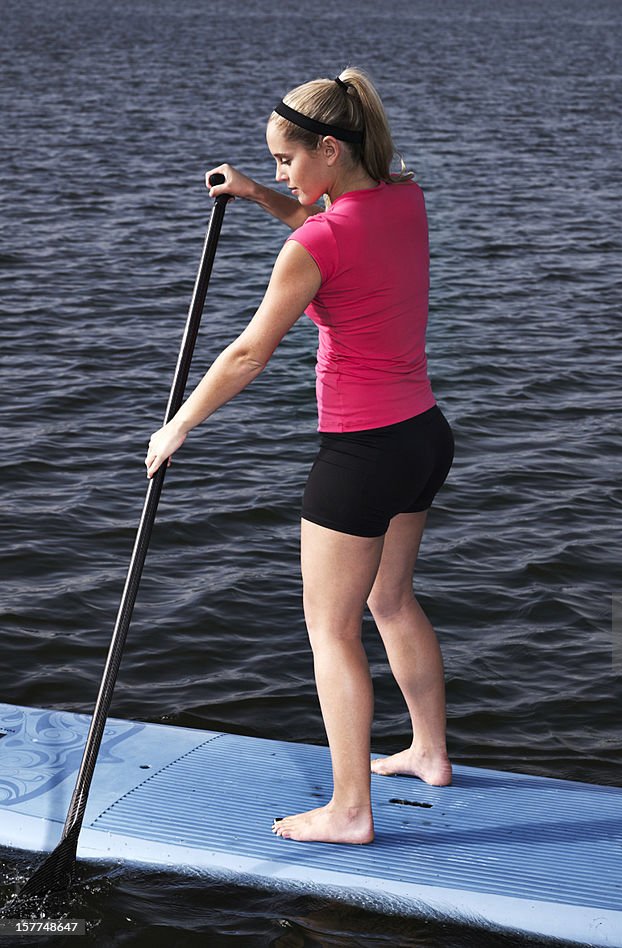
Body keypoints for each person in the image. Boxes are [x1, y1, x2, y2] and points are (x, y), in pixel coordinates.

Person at [145, 67, 454, 845]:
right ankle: (429, 752)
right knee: (392, 602)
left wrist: (176, 426)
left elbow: (249, 353)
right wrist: (258, 195)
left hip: (358, 456)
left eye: (285, 161)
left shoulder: (317, 241)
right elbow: (330, 224)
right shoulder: (401, 193)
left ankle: (349, 811)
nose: (283, 175)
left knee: (331, 629)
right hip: (422, 436)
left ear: (327, 148)